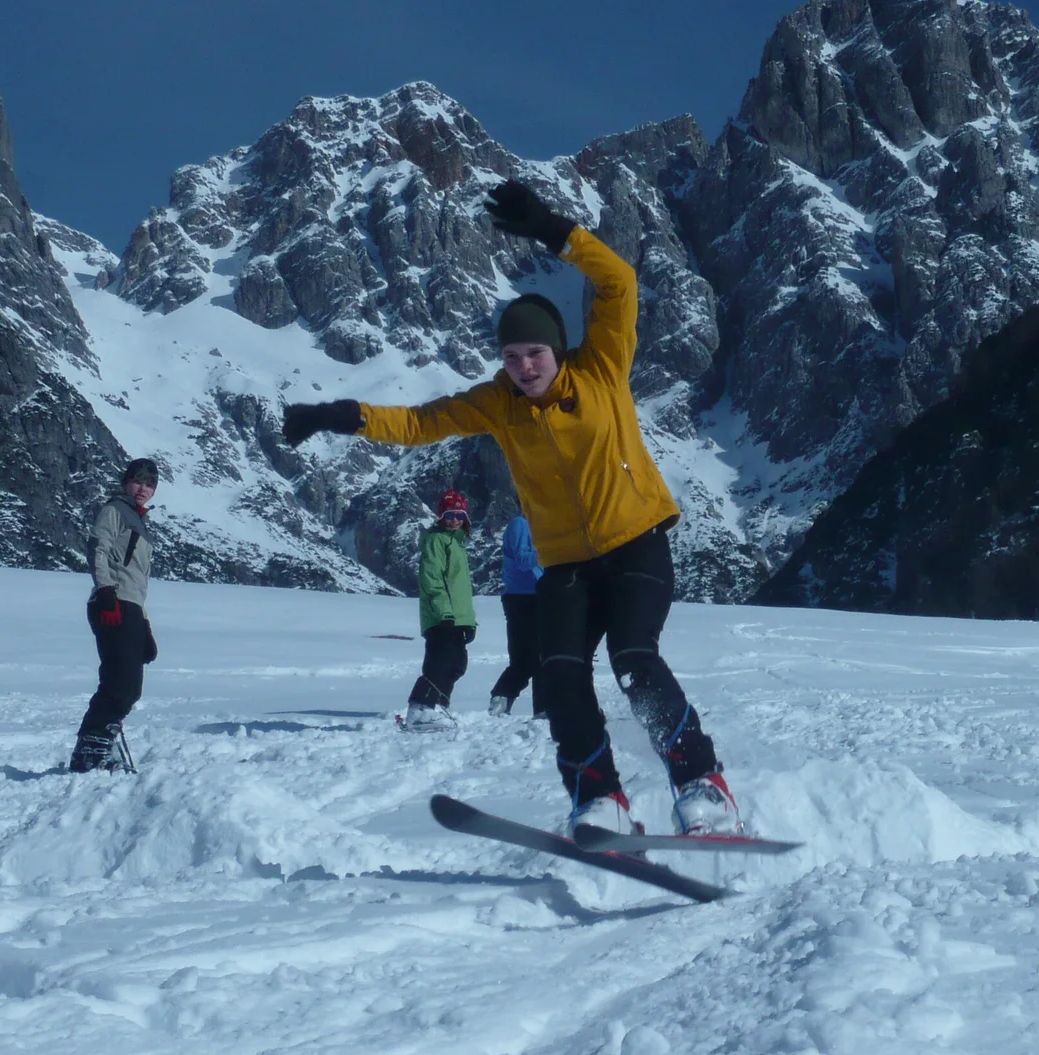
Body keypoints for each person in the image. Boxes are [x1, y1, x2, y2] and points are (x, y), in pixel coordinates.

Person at [282, 179, 742, 839]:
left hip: (635, 542)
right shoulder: (496, 402)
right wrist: (339, 415)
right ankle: (599, 800)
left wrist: (554, 230)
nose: (524, 366)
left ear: (557, 350)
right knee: (560, 676)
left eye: (535, 353)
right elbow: (418, 422)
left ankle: (702, 784)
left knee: (634, 658)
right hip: (565, 566)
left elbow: (618, 284)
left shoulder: (602, 367)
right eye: (511, 355)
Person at [71, 458, 161, 772]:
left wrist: (145, 625)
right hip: (113, 602)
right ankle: (90, 752)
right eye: (138, 481)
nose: (143, 488)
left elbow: (137, 580)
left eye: (149, 484)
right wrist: (106, 590)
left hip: (130, 606)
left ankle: (98, 746)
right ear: (126, 482)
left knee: (130, 687)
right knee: (118, 682)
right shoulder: (115, 511)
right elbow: (99, 548)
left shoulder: (140, 522)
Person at [401, 489, 477, 730]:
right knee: (441, 661)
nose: (455, 519)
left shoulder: (457, 542)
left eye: (459, 514)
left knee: (457, 663)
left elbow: (461, 588)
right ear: (440, 515)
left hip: (457, 616)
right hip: (440, 615)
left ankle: (439, 705)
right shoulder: (436, 540)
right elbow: (432, 579)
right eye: (449, 514)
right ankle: (420, 708)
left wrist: (468, 621)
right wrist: (444, 613)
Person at [489, 512, 544, 718]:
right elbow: (522, 560)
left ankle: (540, 708)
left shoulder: (541, 525)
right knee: (528, 657)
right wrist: (552, 548)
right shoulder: (520, 524)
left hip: (539, 595)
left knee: (538, 657)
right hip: (522, 598)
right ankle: (503, 699)